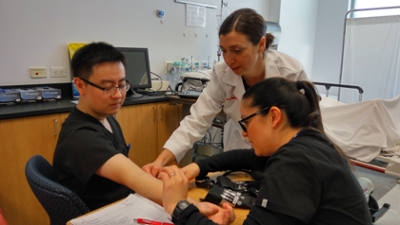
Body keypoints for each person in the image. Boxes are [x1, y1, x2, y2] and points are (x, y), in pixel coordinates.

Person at [52, 42, 234, 224]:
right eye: (107, 87)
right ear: (80, 85)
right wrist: (191, 207)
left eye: (122, 85)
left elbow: (129, 173)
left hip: (126, 203)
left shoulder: (105, 118)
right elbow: (133, 177)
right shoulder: (81, 137)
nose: (117, 95)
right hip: (107, 214)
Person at [158, 77, 373, 225]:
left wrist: (180, 206)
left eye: (246, 123)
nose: (244, 134)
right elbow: (246, 157)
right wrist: (199, 166)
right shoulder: (309, 143)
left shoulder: (294, 162)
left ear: (274, 117)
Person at [143, 8, 308, 177]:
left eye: (237, 51)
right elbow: (197, 120)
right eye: (223, 50)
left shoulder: (290, 72)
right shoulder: (223, 73)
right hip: (240, 151)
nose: (228, 60)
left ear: (261, 44)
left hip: (284, 153)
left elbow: (306, 126)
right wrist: (160, 161)